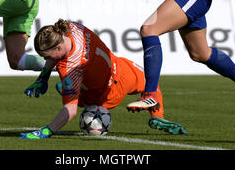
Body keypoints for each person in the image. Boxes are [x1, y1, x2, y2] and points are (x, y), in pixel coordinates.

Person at [19, 19, 187, 139]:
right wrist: (44, 76)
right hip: (121, 68)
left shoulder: (69, 69)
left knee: (74, 97)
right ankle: (157, 117)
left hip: (106, 94)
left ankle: (77, 96)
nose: (48, 60)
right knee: (152, 86)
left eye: (47, 56)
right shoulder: (71, 27)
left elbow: (70, 112)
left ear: (58, 47)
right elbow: (55, 56)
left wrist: (46, 131)